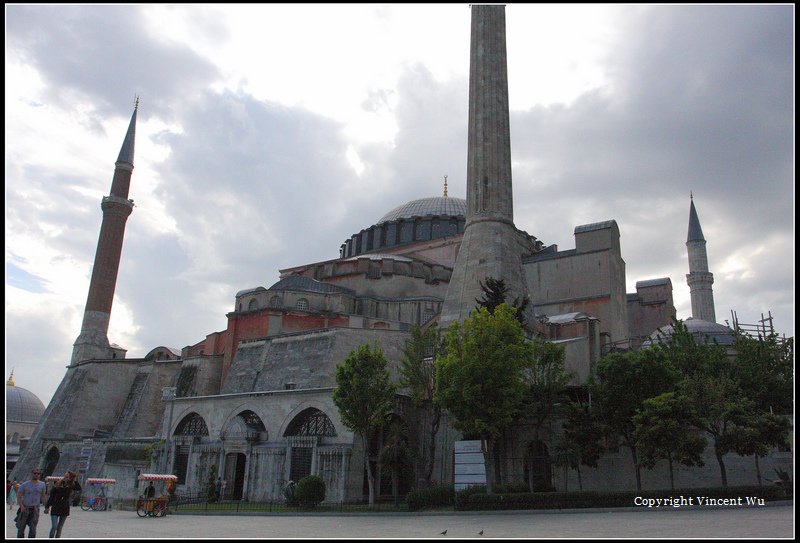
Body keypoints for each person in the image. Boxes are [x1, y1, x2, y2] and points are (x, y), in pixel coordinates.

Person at [44, 471, 81, 538]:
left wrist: (75, 480)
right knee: (54, 526)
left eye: (67, 477)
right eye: (65, 476)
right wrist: (47, 507)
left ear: (70, 478)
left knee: (59, 527)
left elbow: (79, 488)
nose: (65, 478)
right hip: (56, 507)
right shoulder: (58, 484)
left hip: (65, 507)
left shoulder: (71, 485)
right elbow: (51, 497)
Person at [16, 468, 47, 538]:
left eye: (38, 473)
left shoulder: (42, 484)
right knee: (21, 529)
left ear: (40, 475)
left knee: (33, 530)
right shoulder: (25, 484)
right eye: (35, 473)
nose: (36, 475)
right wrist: (21, 506)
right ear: (32, 474)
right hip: (25, 509)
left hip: (35, 509)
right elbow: (19, 496)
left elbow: (43, 496)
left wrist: (46, 507)